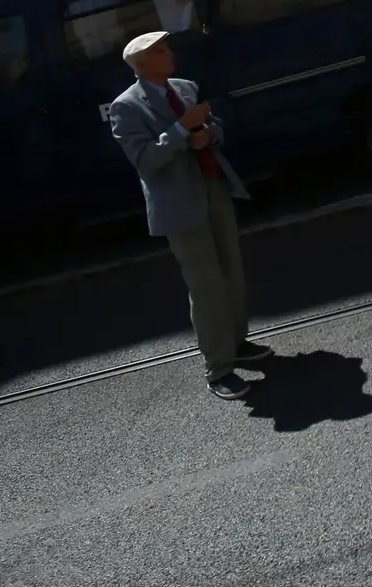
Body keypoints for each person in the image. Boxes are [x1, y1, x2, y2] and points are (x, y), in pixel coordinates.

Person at [106, 33, 267, 401]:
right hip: (178, 204)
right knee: (205, 284)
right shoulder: (126, 106)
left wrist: (207, 135)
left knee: (231, 270)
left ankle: (237, 342)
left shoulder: (186, 87)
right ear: (142, 64)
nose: (169, 54)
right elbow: (146, 161)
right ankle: (219, 367)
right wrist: (181, 130)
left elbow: (217, 128)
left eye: (167, 47)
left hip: (212, 187)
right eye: (159, 51)